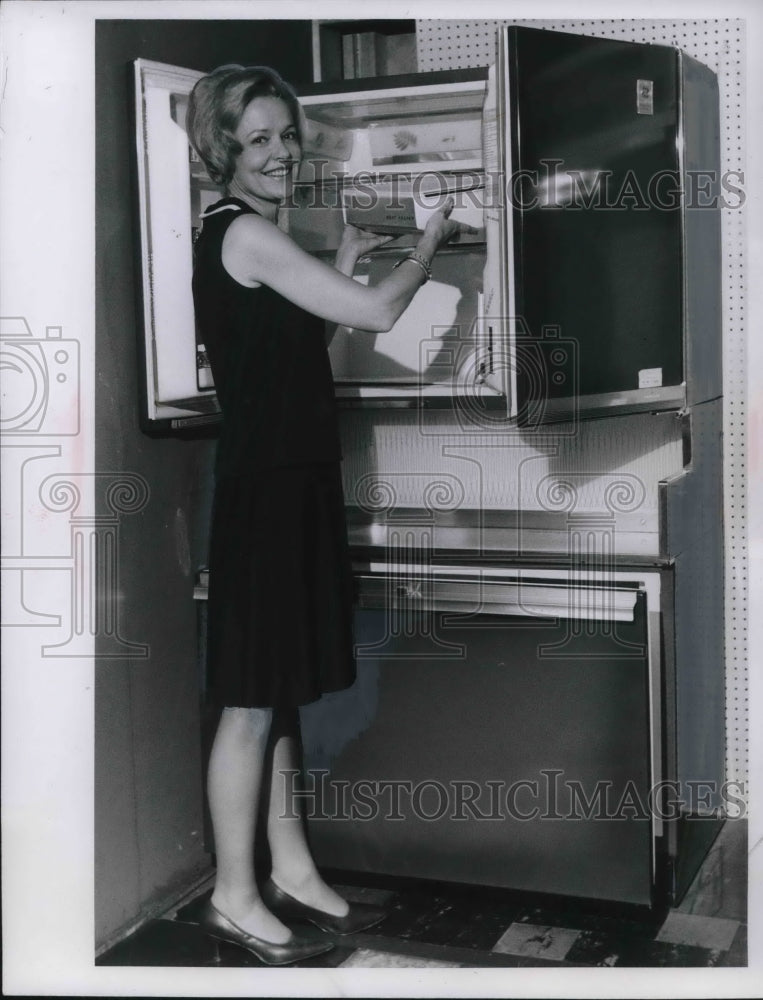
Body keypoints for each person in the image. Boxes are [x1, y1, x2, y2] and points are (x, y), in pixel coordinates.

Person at [187, 64, 465, 966]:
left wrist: (344, 260)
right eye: (258, 138)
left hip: (289, 478)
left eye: (285, 135)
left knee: (280, 695)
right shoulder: (245, 233)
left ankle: (292, 868)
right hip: (267, 487)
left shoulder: (257, 237)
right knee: (248, 701)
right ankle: (233, 895)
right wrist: (431, 239)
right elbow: (383, 314)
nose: (279, 152)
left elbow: (303, 343)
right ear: (223, 149)